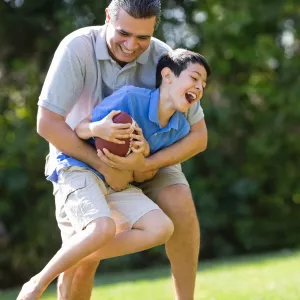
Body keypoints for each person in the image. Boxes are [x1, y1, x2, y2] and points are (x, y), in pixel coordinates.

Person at [31, 1, 209, 299]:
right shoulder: (77, 48)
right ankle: (70, 261)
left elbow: (198, 135)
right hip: (82, 157)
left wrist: (144, 164)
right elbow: (47, 124)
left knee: (180, 205)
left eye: (143, 37)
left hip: (147, 155)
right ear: (107, 18)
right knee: (86, 261)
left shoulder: (166, 59)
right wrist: (106, 167)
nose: (131, 45)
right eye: (124, 33)